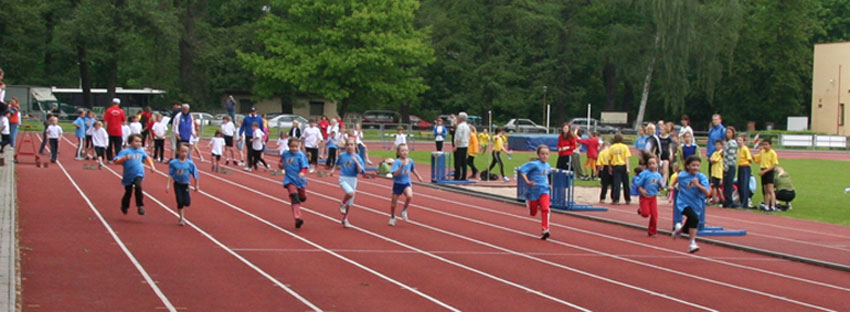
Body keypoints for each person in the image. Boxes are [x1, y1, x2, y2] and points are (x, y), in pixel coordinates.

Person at [672, 155, 710, 253]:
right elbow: (676, 181)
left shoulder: (702, 177)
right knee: (695, 218)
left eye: (697, 165)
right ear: (688, 166)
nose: (695, 168)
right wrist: (671, 186)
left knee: (690, 225)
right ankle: (692, 243)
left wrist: (697, 185)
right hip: (683, 203)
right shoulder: (682, 175)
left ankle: (679, 229)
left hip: (696, 204)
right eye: (693, 165)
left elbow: (706, 192)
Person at [114, 134, 157, 216]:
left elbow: (147, 158)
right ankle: (124, 206)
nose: (139, 143)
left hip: (139, 173)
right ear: (130, 142)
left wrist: (152, 166)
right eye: (136, 141)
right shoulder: (125, 151)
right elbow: (116, 161)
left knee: (138, 186)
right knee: (128, 192)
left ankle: (140, 206)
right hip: (128, 175)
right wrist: (124, 158)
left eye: (140, 142)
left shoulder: (141, 151)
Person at [518, 145, 553, 240]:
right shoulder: (534, 164)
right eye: (542, 154)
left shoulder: (548, 165)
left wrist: (548, 184)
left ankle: (545, 229)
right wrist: (527, 182)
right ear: (538, 154)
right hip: (533, 191)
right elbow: (522, 170)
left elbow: (546, 175)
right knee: (533, 213)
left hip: (544, 190)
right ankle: (529, 203)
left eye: (547, 154)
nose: (545, 156)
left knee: (545, 209)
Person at [329, 138, 366, 228]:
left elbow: (361, 171)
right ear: (345, 146)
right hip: (343, 178)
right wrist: (333, 170)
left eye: (351, 144)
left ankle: (345, 219)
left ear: (355, 146)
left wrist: (357, 162)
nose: (350, 146)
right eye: (348, 145)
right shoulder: (342, 155)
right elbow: (336, 163)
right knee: (350, 193)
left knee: (350, 203)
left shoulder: (358, 157)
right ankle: (342, 202)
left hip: (353, 179)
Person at [388, 143, 423, 226]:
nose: (405, 152)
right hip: (397, 184)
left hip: (406, 183)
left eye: (406, 150)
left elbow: (413, 169)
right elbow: (395, 174)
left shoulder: (410, 161)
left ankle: (404, 209)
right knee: (393, 204)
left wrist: (419, 177)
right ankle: (392, 217)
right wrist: (401, 167)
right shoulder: (397, 162)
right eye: (402, 150)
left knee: (410, 195)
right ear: (398, 152)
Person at [166, 143, 199, 226]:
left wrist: (196, 185)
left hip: (186, 184)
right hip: (177, 184)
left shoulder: (190, 163)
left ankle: (188, 195)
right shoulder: (173, 163)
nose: (184, 153)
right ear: (178, 152)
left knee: (187, 203)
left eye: (186, 152)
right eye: (182, 151)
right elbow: (171, 175)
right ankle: (181, 218)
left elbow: (195, 174)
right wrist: (168, 185)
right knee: (180, 201)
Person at [280, 138, 309, 229]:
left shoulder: (300, 155)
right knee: (294, 198)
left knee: (302, 197)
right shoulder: (285, 154)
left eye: (296, 146)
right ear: (289, 146)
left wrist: (302, 172)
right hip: (289, 180)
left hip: (300, 180)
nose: (294, 148)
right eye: (292, 146)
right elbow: (281, 162)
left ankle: (303, 196)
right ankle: (297, 218)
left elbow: (305, 167)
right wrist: (281, 165)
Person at [635, 156, 665, 237]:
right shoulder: (644, 174)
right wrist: (641, 190)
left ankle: (652, 231)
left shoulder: (658, 175)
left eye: (653, 163)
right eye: (650, 164)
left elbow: (662, 186)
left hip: (653, 197)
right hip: (645, 197)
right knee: (645, 214)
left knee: (654, 215)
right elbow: (637, 184)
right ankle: (641, 210)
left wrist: (662, 185)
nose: (652, 165)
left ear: (657, 165)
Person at [753, 139, 779, 211]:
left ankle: (773, 205)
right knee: (765, 190)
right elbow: (756, 159)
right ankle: (766, 205)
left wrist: (765, 171)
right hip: (763, 170)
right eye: (764, 145)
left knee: (770, 190)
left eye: (766, 145)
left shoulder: (772, 153)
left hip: (769, 171)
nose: (765, 146)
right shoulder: (762, 152)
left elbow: (773, 165)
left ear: (770, 145)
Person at [608, 134, 632, 205]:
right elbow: (626, 158)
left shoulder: (612, 147)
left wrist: (610, 167)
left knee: (616, 183)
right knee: (626, 183)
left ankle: (616, 199)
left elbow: (610, 159)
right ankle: (627, 199)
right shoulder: (625, 147)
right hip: (623, 165)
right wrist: (627, 168)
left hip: (616, 166)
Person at [722, 127, 738, 208]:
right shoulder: (727, 143)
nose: (727, 134)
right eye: (726, 132)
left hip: (729, 166)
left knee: (728, 184)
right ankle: (727, 199)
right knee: (726, 184)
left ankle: (729, 200)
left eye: (729, 132)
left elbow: (730, 157)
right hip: (727, 165)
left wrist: (726, 167)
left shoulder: (732, 143)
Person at [736, 134, 754, 209]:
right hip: (740, 166)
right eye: (737, 140)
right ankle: (741, 201)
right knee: (740, 185)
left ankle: (744, 203)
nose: (738, 141)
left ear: (744, 141)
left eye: (740, 140)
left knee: (744, 185)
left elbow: (750, 159)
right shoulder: (738, 149)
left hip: (745, 167)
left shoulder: (745, 149)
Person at [453, 112, 471, 181]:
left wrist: (456, 146)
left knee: (458, 162)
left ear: (461, 118)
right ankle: (463, 176)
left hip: (460, 146)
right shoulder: (467, 126)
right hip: (465, 145)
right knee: (464, 162)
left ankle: (457, 176)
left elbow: (459, 137)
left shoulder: (460, 126)